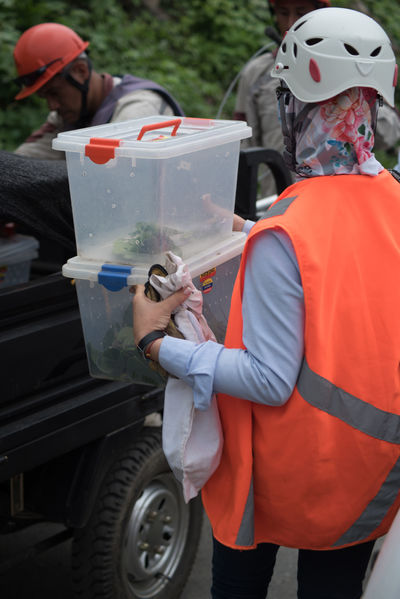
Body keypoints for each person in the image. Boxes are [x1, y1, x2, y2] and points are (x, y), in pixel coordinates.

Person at [131, 7, 400, 598]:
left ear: (296, 105)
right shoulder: (392, 199)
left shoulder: (292, 227)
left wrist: (159, 344)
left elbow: (269, 379)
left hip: (281, 474)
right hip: (366, 472)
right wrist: (250, 231)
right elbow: (345, 274)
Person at [234, 0, 400, 196]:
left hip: (349, 195)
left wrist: (351, 114)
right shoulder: (256, 74)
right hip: (279, 197)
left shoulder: (350, 65)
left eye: (301, 12)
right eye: (283, 12)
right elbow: (243, 148)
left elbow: (391, 129)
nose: (291, 22)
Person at [12, 22, 184, 160]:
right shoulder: (68, 116)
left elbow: (114, 176)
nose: (52, 105)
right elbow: (22, 162)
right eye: (44, 97)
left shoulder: (138, 109)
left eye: (55, 93)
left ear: (81, 71)